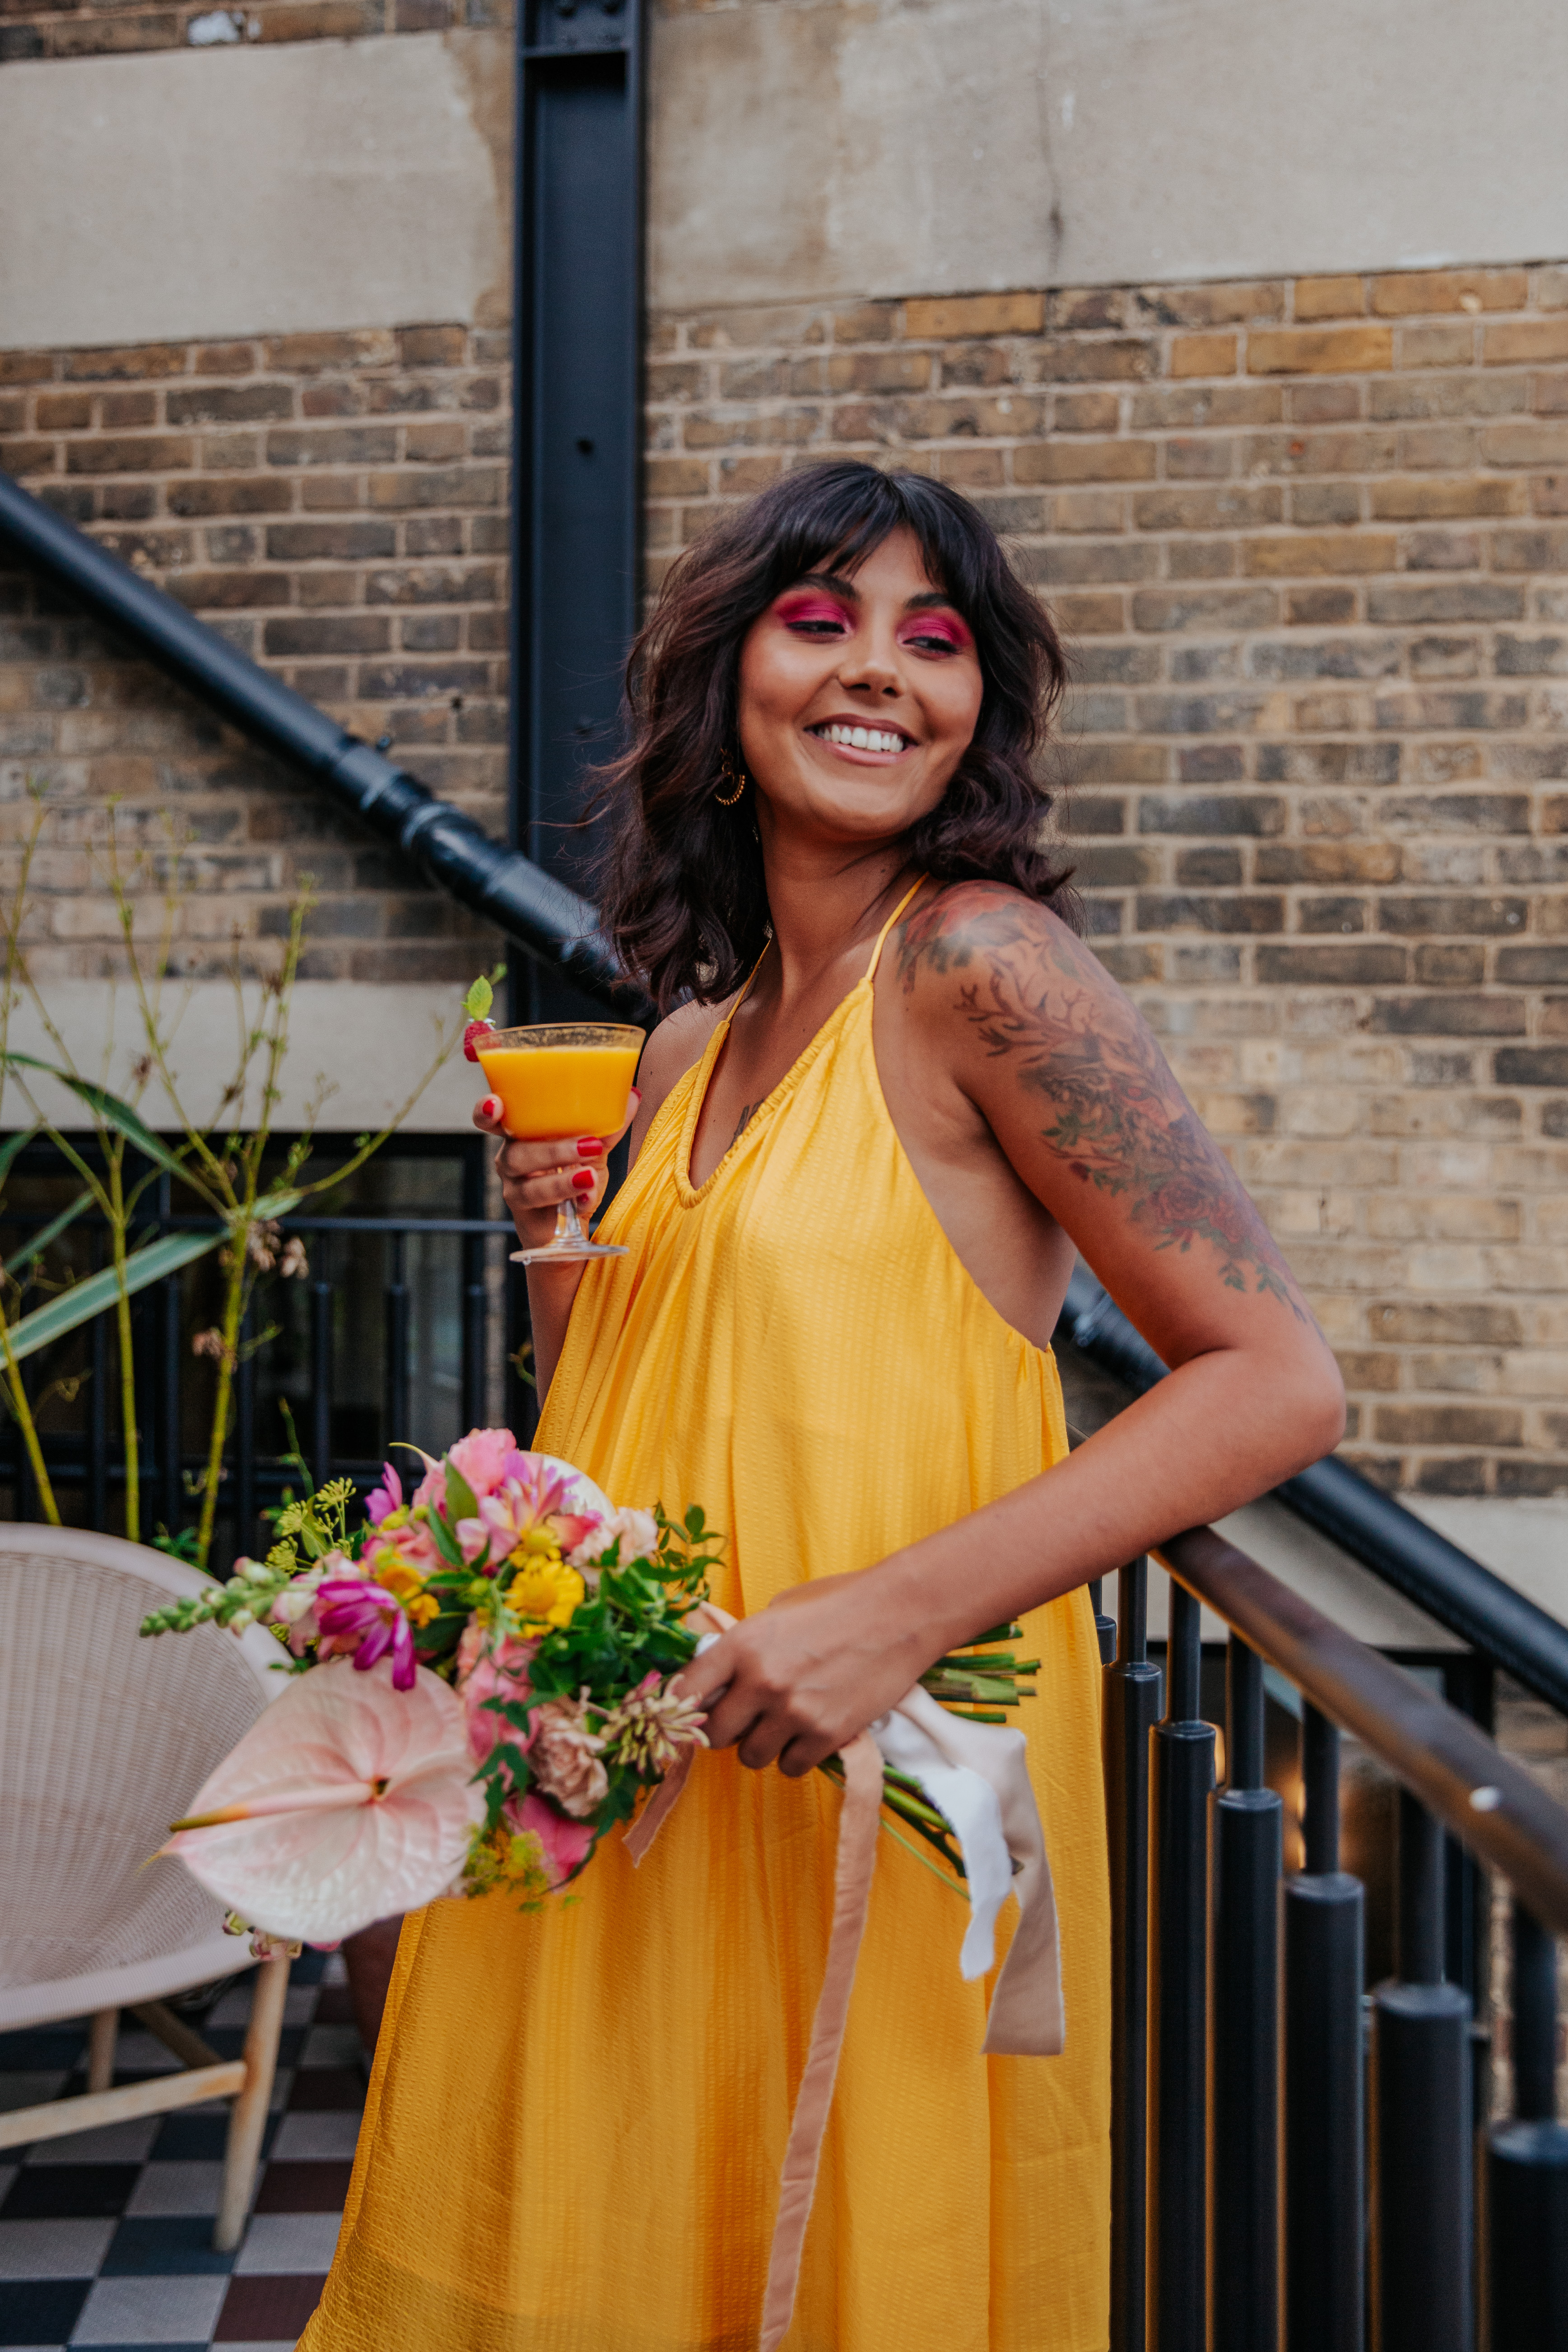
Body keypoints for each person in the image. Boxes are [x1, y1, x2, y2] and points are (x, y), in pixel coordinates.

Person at [301, 462, 1343, 2352]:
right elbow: (621, 1421)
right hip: (637, 1785)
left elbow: (1271, 1379)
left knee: (853, 2257)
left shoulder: (980, 969)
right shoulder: (689, 1038)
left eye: (932, 642)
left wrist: (890, 1614)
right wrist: (563, 1243)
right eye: (820, 621)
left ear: (975, 717)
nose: (880, 674)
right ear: (725, 682)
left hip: (889, 1783)